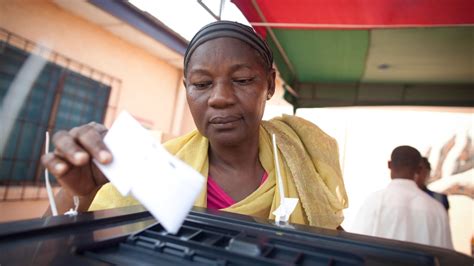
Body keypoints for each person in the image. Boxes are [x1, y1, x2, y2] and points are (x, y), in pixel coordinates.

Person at [41, 21, 348, 229]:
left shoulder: (303, 156)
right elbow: (45, 255)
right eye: (201, 84)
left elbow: (334, 242)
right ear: (186, 88)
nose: (220, 98)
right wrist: (77, 194)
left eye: (241, 80)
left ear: (268, 84)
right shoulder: (156, 171)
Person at [350, 146, 453, 249]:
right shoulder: (437, 209)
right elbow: (447, 257)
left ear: (389, 164)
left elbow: (355, 247)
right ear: (419, 169)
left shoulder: (374, 201)